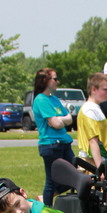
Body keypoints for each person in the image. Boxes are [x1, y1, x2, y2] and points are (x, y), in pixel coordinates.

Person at [32, 68, 75, 205]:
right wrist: (61, 120)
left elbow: (69, 118)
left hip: (64, 142)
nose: (58, 81)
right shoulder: (40, 100)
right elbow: (56, 123)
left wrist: (61, 120)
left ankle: (45, 199)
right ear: (45, 81)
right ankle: (48, 209)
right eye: (55, 79)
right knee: (52, 180)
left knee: (74, 176)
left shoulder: (54, 99)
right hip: (51, 145)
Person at [76, 72, 107, 171]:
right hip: (92, 162)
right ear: (94, 89)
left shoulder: (95, 108)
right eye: (105, 90)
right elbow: (93, 141)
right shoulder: (89, 110)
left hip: (98, 161)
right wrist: (99, 168)